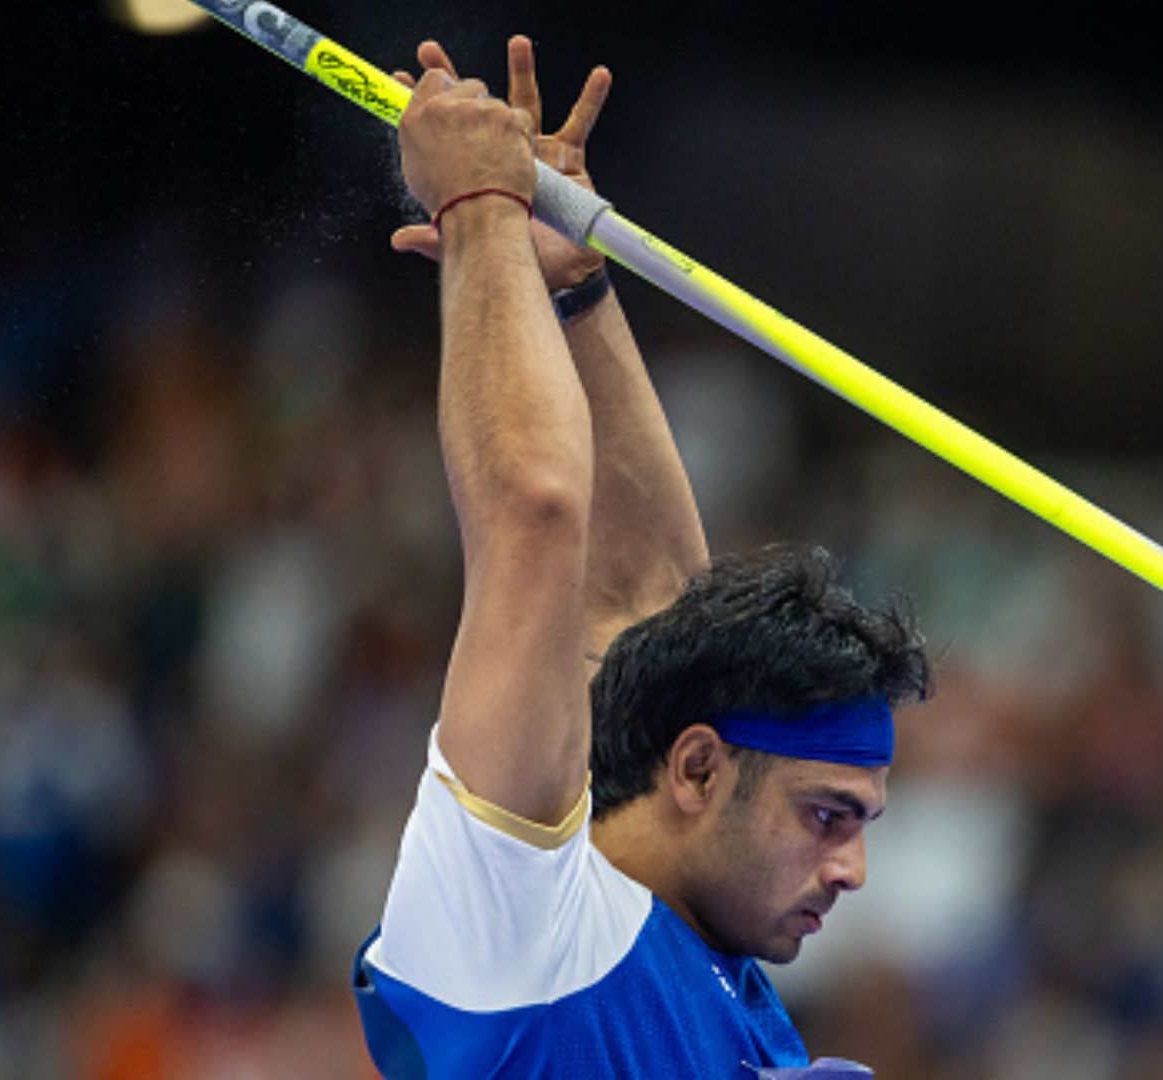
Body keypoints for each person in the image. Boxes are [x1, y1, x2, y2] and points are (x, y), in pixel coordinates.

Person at [349, 37, 930, 1078]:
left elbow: (654, 605)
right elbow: (532, 516)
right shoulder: (520, 926)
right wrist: (478, 212)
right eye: (828, 816)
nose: (852, 869)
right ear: (699, 768)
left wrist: (569, 287)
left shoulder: (715, 964)